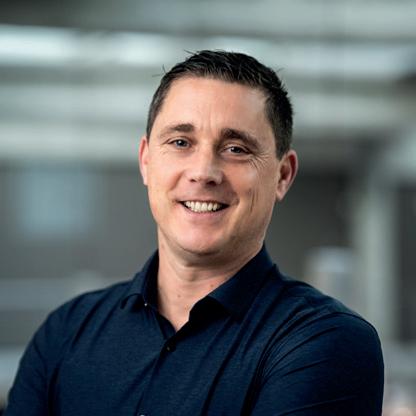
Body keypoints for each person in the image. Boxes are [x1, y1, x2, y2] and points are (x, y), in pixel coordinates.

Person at [5, 50, 384, 415]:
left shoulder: (324, 342)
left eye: (236, 148)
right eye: (180, 142)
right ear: (146, 160)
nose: (203, 172)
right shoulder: (65, 331)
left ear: (283, 175)